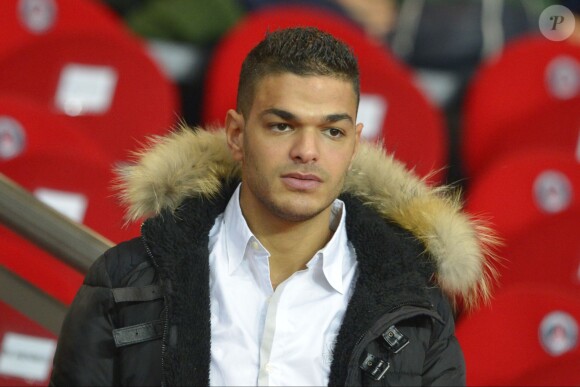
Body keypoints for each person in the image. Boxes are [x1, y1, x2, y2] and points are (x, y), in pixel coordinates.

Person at [49, 27, 496, 386]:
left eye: (332, 132)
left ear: (356, 144)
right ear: (237, 135)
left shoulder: (418, 307)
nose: (307, 150)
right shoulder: (123, 281)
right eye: (282, 126)